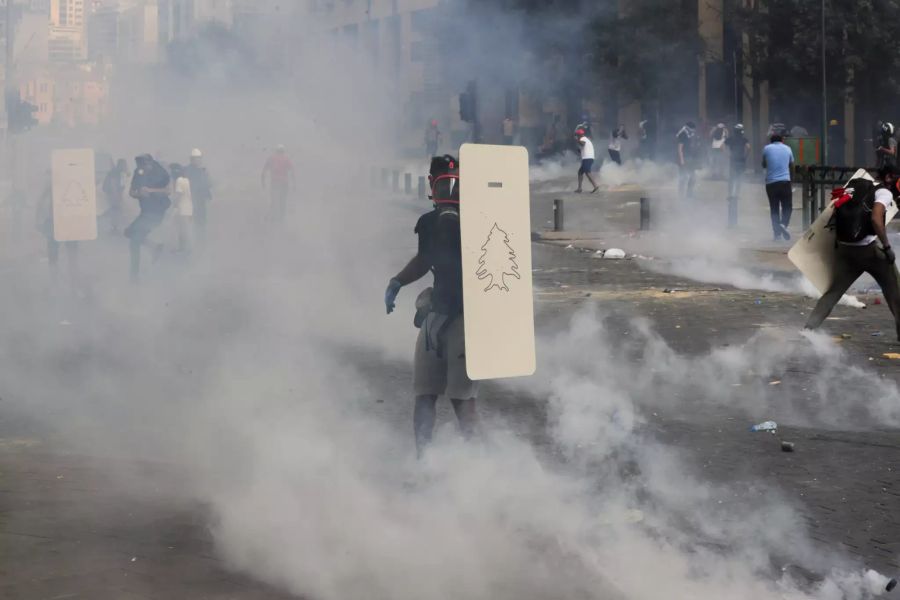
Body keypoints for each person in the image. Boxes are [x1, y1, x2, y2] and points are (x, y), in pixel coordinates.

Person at [384, 155, 478, 457]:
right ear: (433, 184)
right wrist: (398, 280)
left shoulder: (478, 221)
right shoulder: (429, 223)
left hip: (465, 318)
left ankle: (478, 465)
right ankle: (423, 461)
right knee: (425, 393)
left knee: (461, 398)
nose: (450, 188)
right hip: (435, 317)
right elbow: (425, 259)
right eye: (446, 181)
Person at [805, 164, 900, 340]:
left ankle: (809, 328)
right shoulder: (883, 193)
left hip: (845, 249)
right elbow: (876, 219)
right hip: (867, 251)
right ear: (889, 177)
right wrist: (887, 247)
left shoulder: (856, 188)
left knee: (833, 292)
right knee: (894, 286)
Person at [125, 154, 171, 282]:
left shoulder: (159, 173)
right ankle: (154, 247)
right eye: (141, 165)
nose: (144, 167)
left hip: (156, 212)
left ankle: (134, 276)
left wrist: (150, 190)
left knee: (134, 241)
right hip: (145, 212)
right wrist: (140, 193)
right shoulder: (138, 173)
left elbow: (168, 191)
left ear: (151, 163)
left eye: (146, 164)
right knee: (129, 233)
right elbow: (131, 192)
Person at [762, 133, 795, 241]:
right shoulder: (788, 149)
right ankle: (784, 224)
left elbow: (763, 164)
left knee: (774, 208)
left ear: (771, 141)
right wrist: (792, 180)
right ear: (782, 140)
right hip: (785, 182)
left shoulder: (766, 148)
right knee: (788, 207)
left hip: (771, 183)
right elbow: (792, 165)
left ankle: (777, 235)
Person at [261, 145, 295, 222]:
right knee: (283, 201)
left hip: (275, 182)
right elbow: (292, 171)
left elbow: (264, 170)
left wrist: (263, 182)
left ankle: (272, 217)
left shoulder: (271, 158)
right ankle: (281, 219)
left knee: (273, 201)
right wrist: (294, 184)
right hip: (284, 183)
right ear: (283, 151)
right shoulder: (287, 159)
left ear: (276, 151)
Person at [184, 149, 212, 243]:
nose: (198, 160)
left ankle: (200, 242)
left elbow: (206, 184)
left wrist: (207, 193)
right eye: (196, 158)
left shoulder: (202, 171)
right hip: (190, 201)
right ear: (191, 159)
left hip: (200, 201)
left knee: (201, 223)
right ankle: (191, 243)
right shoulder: (187, 170)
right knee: (190, 224)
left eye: (199, 158)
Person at [170, 163, 193, 255]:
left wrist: (174, 204)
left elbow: (178, 195)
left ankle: (184, 249)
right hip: (188, 207)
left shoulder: (179, 180)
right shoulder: (186, 180)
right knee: (184, 228)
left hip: (182, 208)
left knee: (182, 229)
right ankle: (184, 248)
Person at [101, 159, 129, 234]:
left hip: (114, 194)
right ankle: (114, 227)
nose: (126, 166)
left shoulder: (118, 172)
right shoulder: (116, 172)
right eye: (125, 164)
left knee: (116, 210)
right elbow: (114, 185)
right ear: (121, 165)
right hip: (113, 194)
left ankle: (115, 227)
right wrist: (116, 196)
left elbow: (123, 184)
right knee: (116, 210)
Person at [725, 123, 750, 198]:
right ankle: (737, 195)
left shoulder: (731, 138)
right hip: (741, 160)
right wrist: (745, 156)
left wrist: (727, 154)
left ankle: (730, 195)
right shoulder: (744, 139)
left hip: (733, 160)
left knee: (731, 178)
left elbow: (722, 146)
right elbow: (749, 148)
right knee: (739, 178)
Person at [676, 121, 699, 200]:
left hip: (689, 158)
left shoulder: (688, 133)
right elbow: (680, 148)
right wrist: (682, 160)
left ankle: (689, 194)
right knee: (683, 177)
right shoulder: (683, 134)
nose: (693, 131)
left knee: (693, 177)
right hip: (684, 158)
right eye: (693, 129)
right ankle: (681, 195)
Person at [574, 129, 599, 193]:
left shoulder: (583, 139)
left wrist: (576, 140)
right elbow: (583, 148)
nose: (576, 136)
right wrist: (579, 150)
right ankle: (579, 188)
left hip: (587, 158)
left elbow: (582, 144)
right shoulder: (586, 139)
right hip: (588, 158)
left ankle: (595, 186)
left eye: (577, 135)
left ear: (579, 135)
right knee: (580, 172)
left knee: (587, 172)